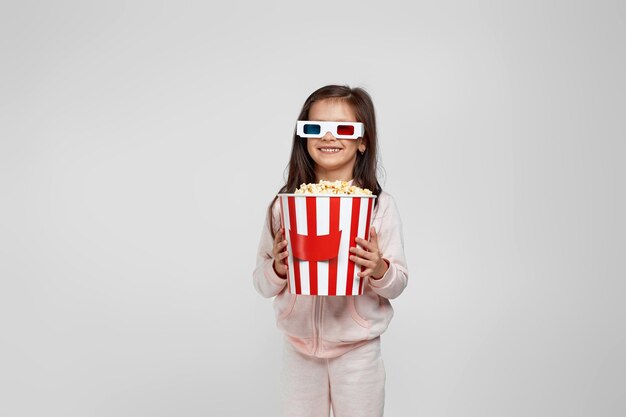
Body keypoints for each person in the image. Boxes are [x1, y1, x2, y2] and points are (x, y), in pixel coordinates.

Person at [253, 84, 408, 417]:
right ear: (304, 137)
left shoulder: (378, 207)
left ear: (362, 140)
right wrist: (278, 268)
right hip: (298, 351)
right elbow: (261, 283)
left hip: (358, 350)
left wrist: (379, 267)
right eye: (315, 128)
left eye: (343, 128)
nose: (328, 137)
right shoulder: (285, 206)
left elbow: (398, 283)